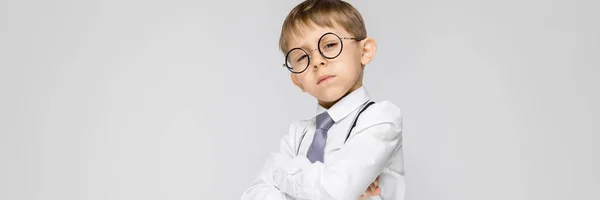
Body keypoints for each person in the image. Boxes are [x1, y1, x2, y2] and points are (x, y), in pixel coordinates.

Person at [241, 0, 405, 199]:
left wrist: (279, 171)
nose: (317, 61)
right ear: (297, 80)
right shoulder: (296, 135)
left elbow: (334, 189)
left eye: (329, 45)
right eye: (302, 57)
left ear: (365, 51)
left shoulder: (380, 118)